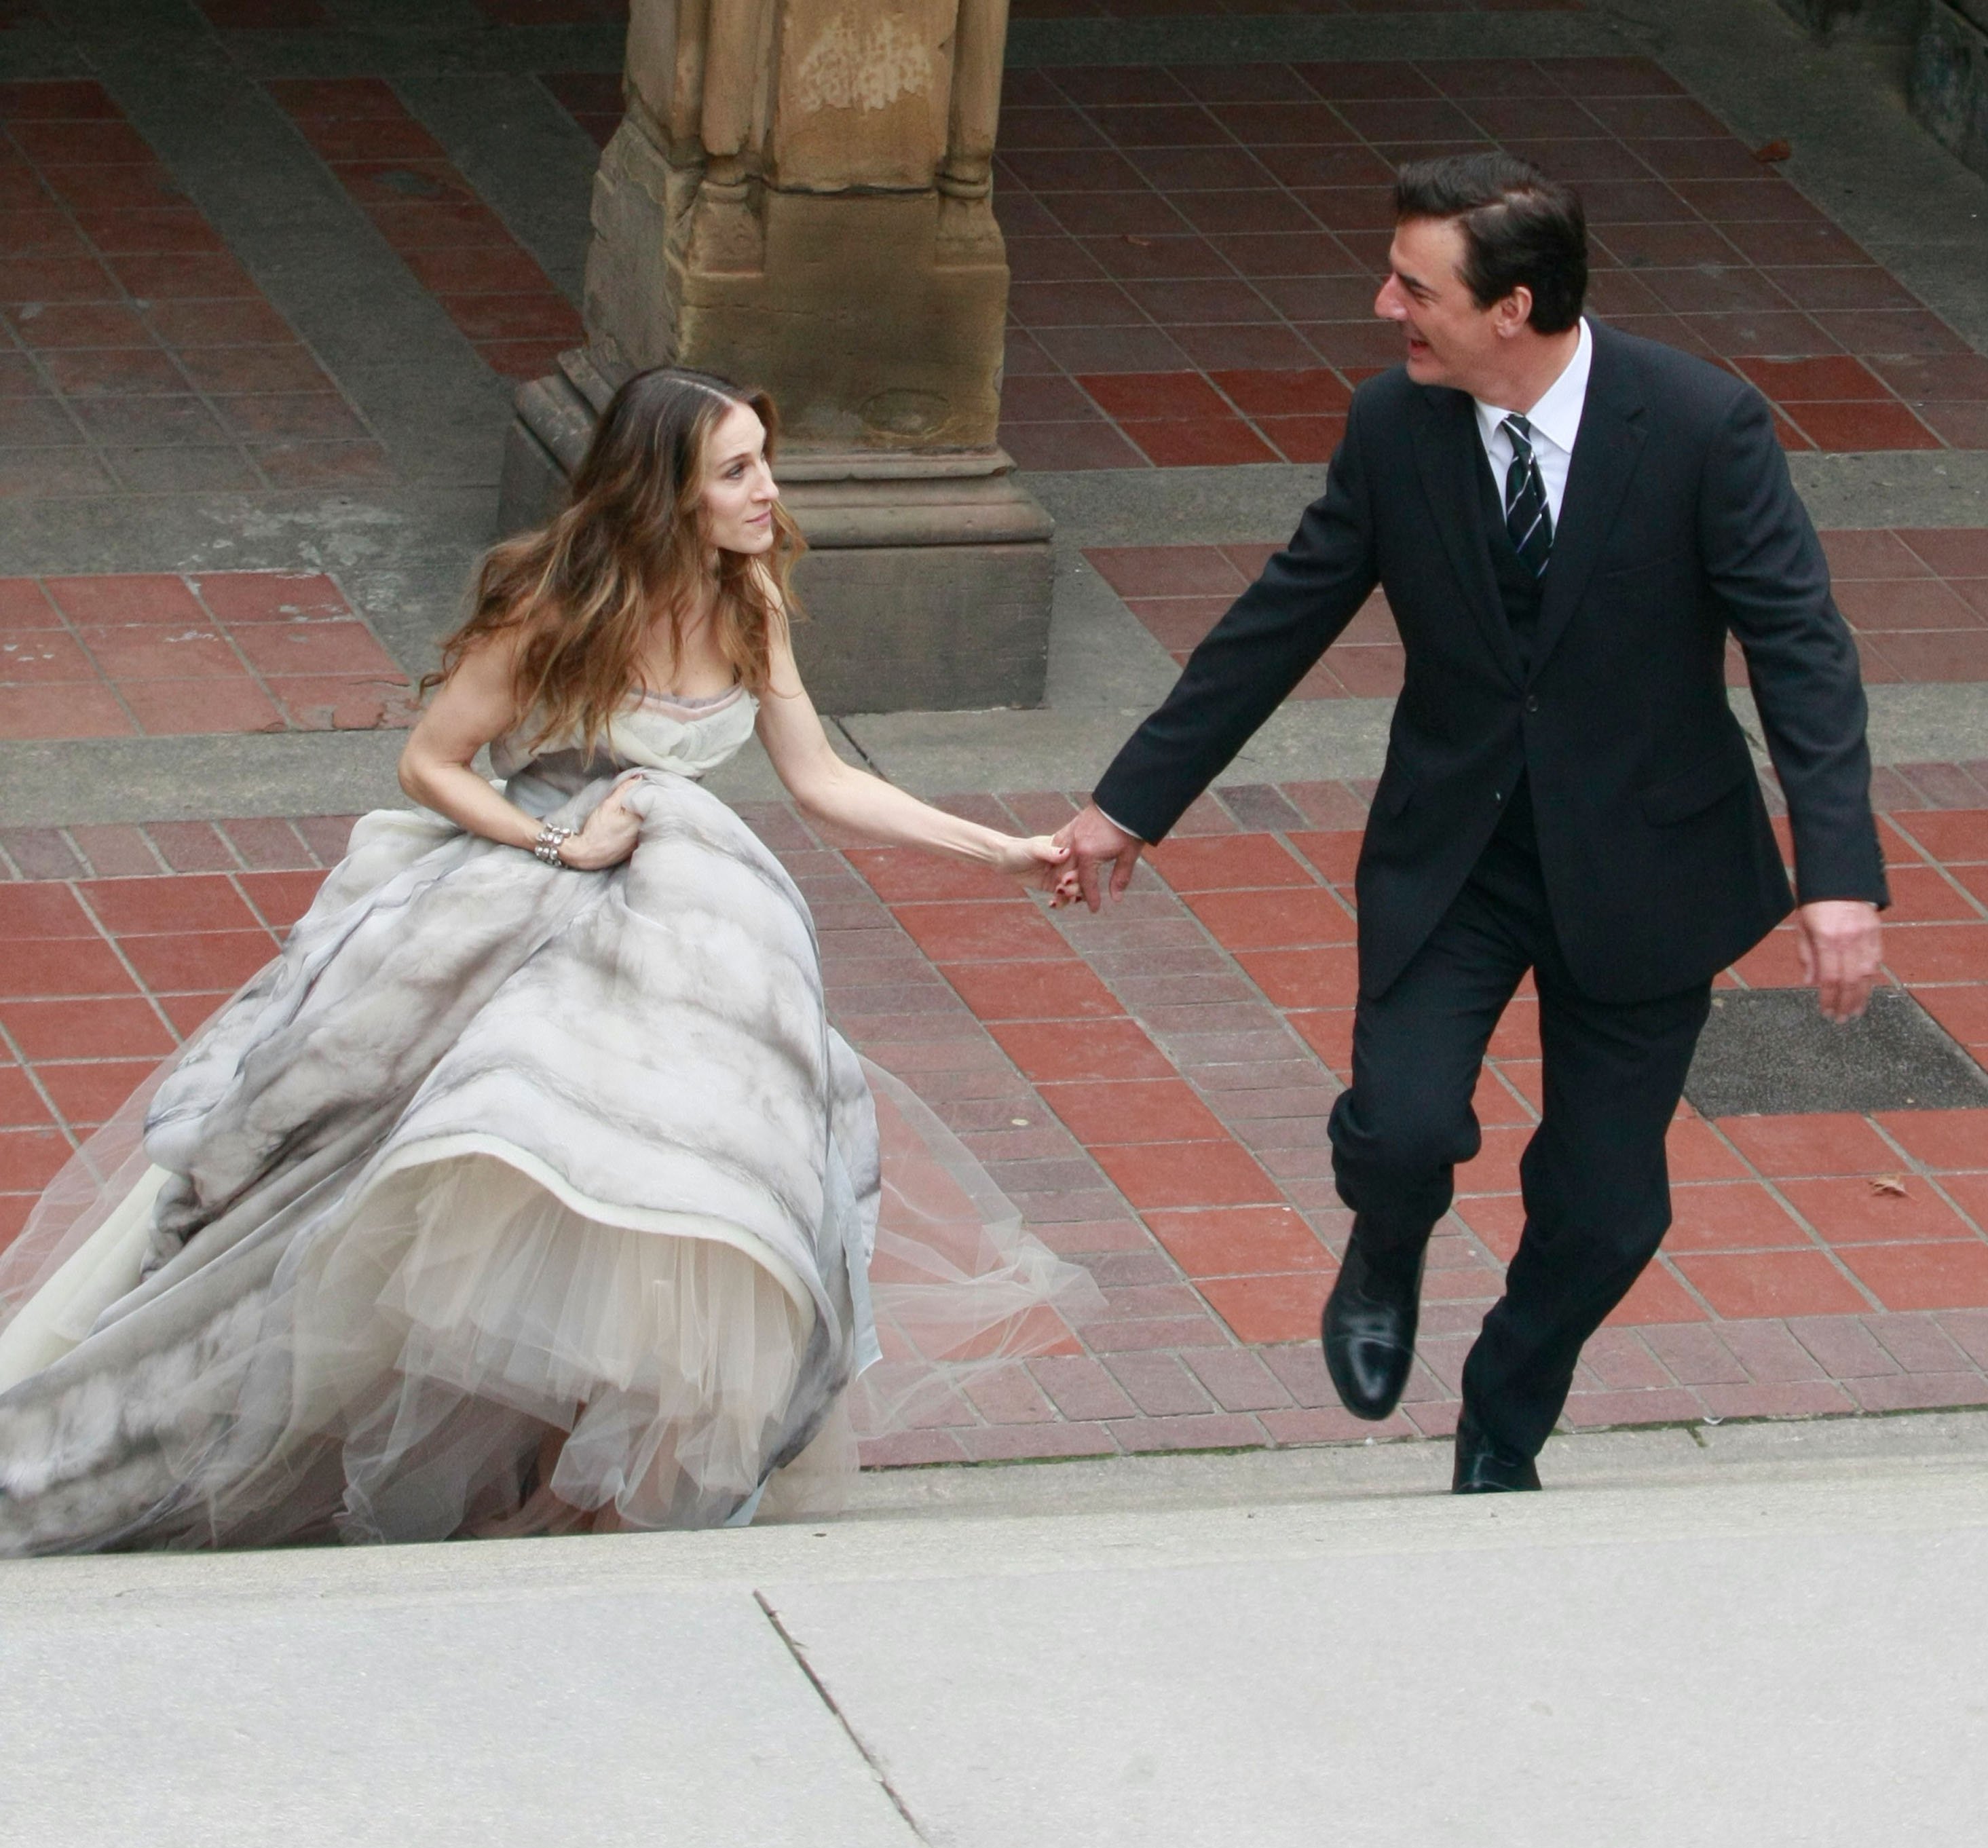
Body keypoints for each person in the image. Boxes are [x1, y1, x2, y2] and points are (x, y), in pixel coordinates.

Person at [0, 365, 1091, 1553]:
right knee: (427, 1156)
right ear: (663, 491)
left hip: (677, 933)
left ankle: (562, 1481)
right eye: (736, 469)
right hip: (519, 898)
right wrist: (563, 840)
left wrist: (1002, 850)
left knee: (684, 1170)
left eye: (762, 459)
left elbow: (821, 779)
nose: (768, 489)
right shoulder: (557, 604)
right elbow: (430, 763)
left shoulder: (750, 600)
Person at [1057, 153, 1886, 1494]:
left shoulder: (1695, 425)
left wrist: (1835, 876)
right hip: (1459, 855)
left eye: (1413, 284)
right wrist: (1128, 806)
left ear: (1514, 308)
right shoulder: (1395, 428)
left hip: (1644, 866)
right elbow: (1280, 617)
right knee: (1397, 1128)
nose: (1384, 304)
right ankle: (1386, 1247)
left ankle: (1502, 1422)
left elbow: (1800, 647)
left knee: (1607, 1214)